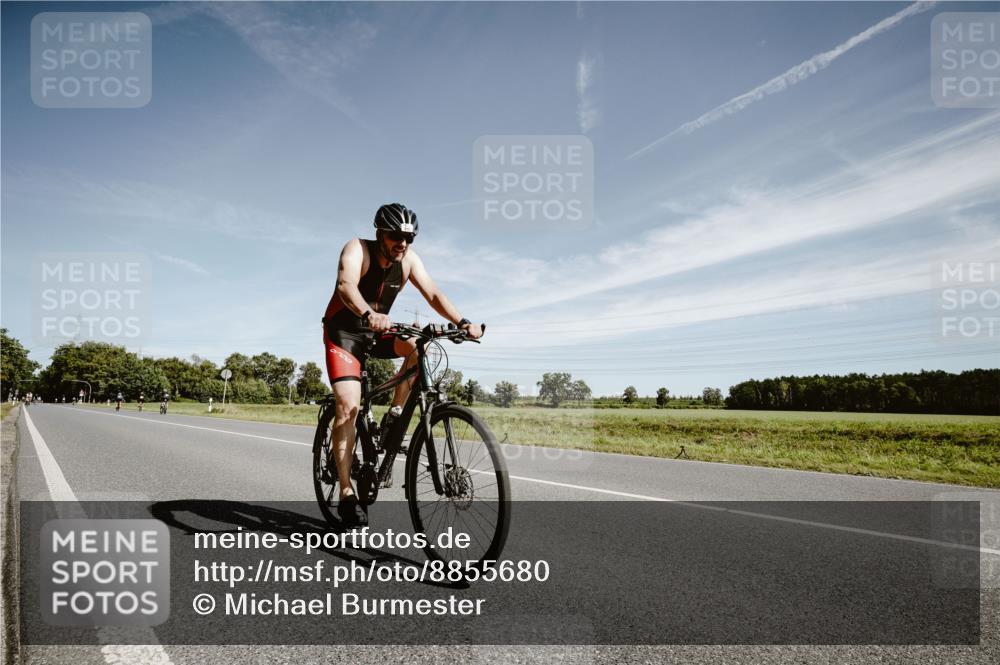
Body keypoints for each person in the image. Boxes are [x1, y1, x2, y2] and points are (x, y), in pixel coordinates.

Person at [322, 202, 482, 527]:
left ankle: (395, 415)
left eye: (409, 238)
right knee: (349, 407)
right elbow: (345, 286)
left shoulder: (408, 261)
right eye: (396, 236)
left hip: (380, 330)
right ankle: (346, 493)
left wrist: (463, 322)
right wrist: (368, 314)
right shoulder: (358, 249)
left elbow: (433, 293)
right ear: (380, 233)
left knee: (418, 348)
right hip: (345, 333)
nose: (402, 243)